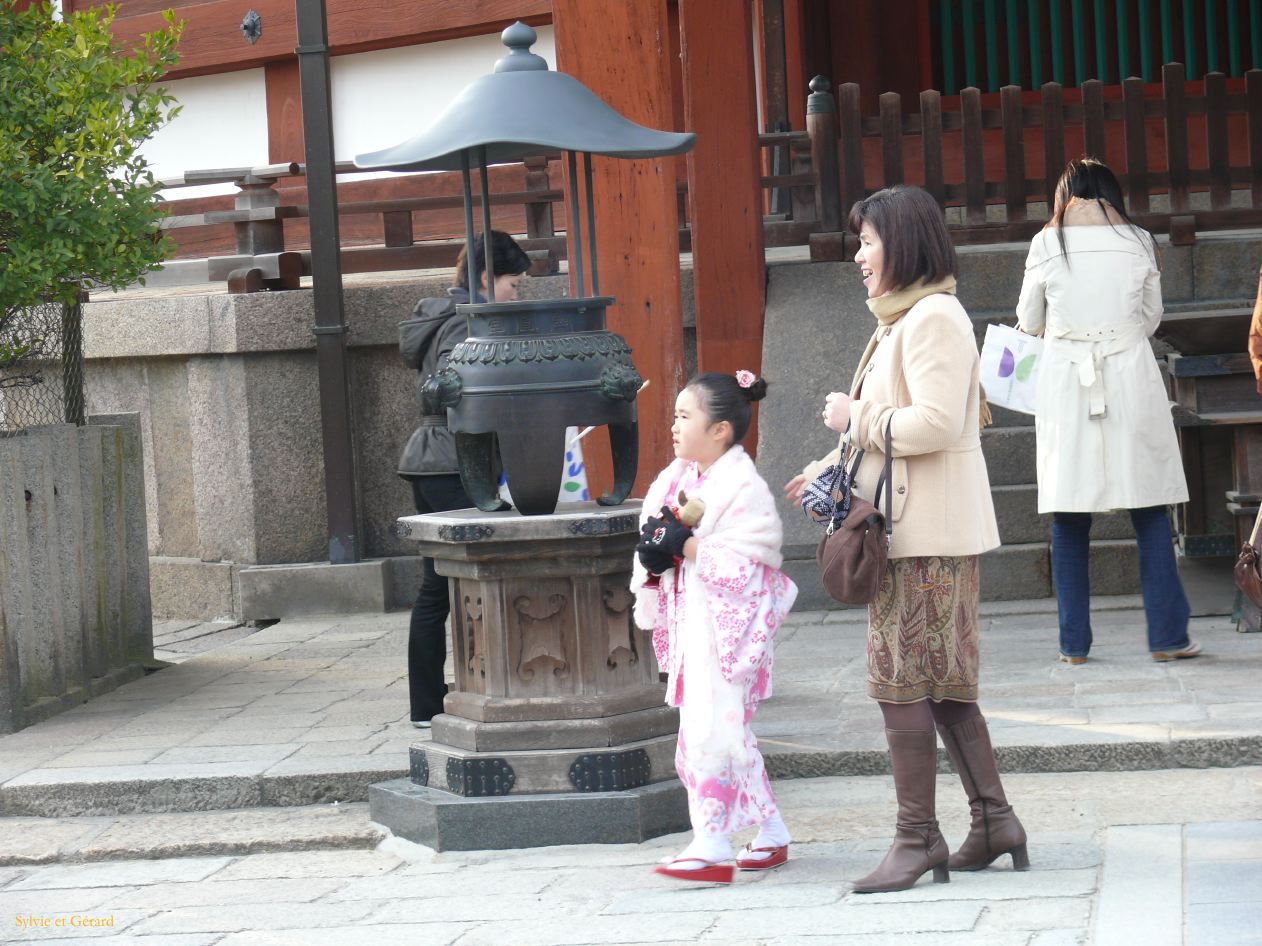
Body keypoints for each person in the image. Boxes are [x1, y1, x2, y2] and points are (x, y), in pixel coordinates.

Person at [785, 185, 1026, 892]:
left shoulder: (934, 318)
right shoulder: (905, 318)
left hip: (924, 534)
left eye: (868, 241)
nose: (858, 256)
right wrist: (827, 467)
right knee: (942, 686)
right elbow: (893, 430)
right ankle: (994, 819)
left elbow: (935, 424)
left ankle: (918, 838)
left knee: (901, 683)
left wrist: (850, 416)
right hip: (918, 528)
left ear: (906, 242)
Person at [1016, 158, 1201, 665]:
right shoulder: (1139, 240)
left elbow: (1028, 319)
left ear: (1063, 197)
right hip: (1129, 375)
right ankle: (1168, 637)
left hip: (1066, 381)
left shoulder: (1046, 243)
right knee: (1149, 506)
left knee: (1069, 515)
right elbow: (1149, 319)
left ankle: (1074, 644)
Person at [631, 371, 799, 885]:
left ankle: (711, 841)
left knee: (709, 731)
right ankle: (770, 832)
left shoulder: (744, 487)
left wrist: (683, 546)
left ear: (721, 429)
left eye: (685, 416)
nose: (675, 425)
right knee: (727, 730)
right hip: (695, 622)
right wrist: (657, 556)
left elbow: (751, 565)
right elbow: (662, 540)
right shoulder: (682, 476)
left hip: (725, 630)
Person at [397, 230, 531, 728]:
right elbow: (455, 390)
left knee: (440, 585)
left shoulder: (446, 316)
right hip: (450, 459)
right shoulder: (462, 324)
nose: (516, 293)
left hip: (438, 457)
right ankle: (435, 701)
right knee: (444, 586)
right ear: (483, 278)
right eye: (513, 284)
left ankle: (431, 700)